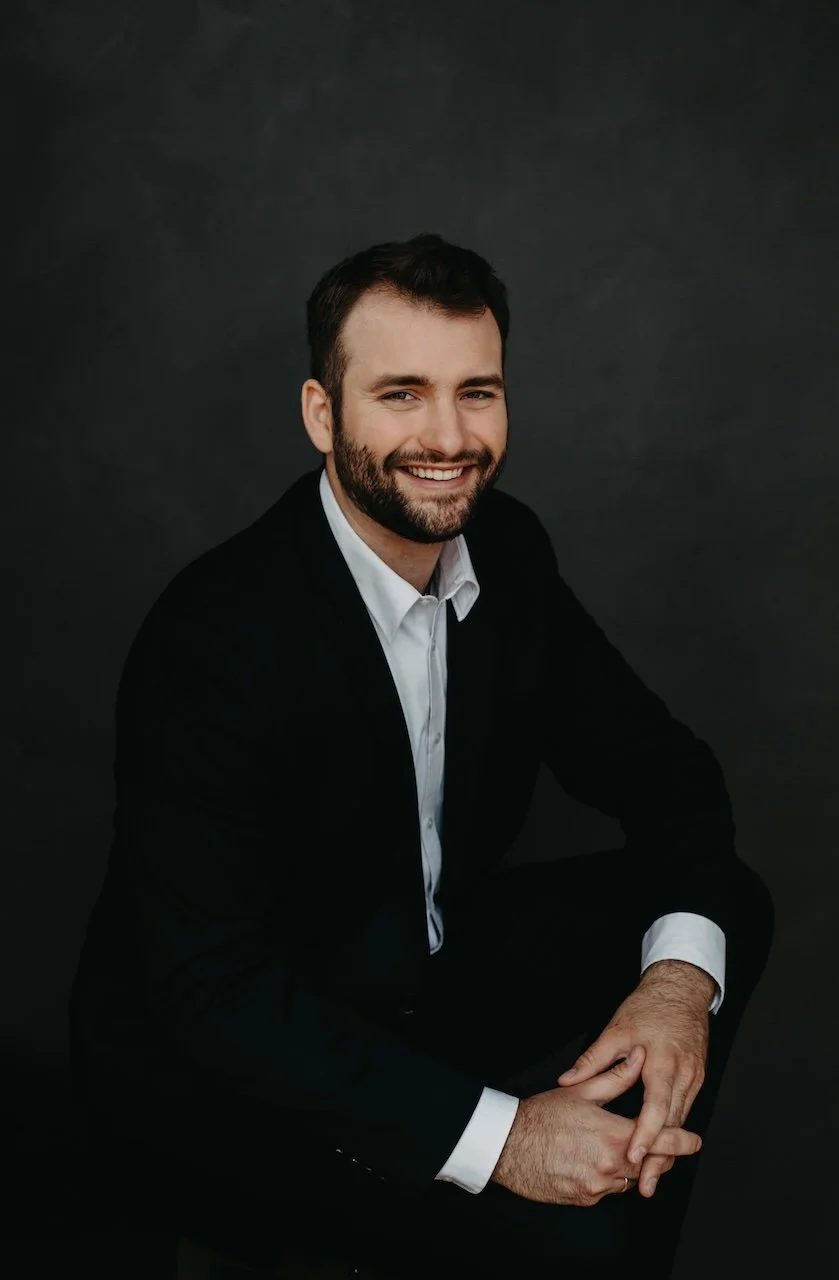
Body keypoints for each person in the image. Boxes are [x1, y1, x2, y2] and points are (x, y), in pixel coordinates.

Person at [69, 232, 773, 1279]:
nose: (448, 435)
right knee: (570, 1235)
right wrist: (507, 1138)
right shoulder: (212, 637)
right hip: (226, 1068)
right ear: (323, 413)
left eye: (475, 392)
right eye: (401, 393)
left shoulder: (508, 549)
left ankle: (625, 1167)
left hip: (411, 977)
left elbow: (666, 771)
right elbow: (217, 993)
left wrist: (673, 987)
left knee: (718, 916)